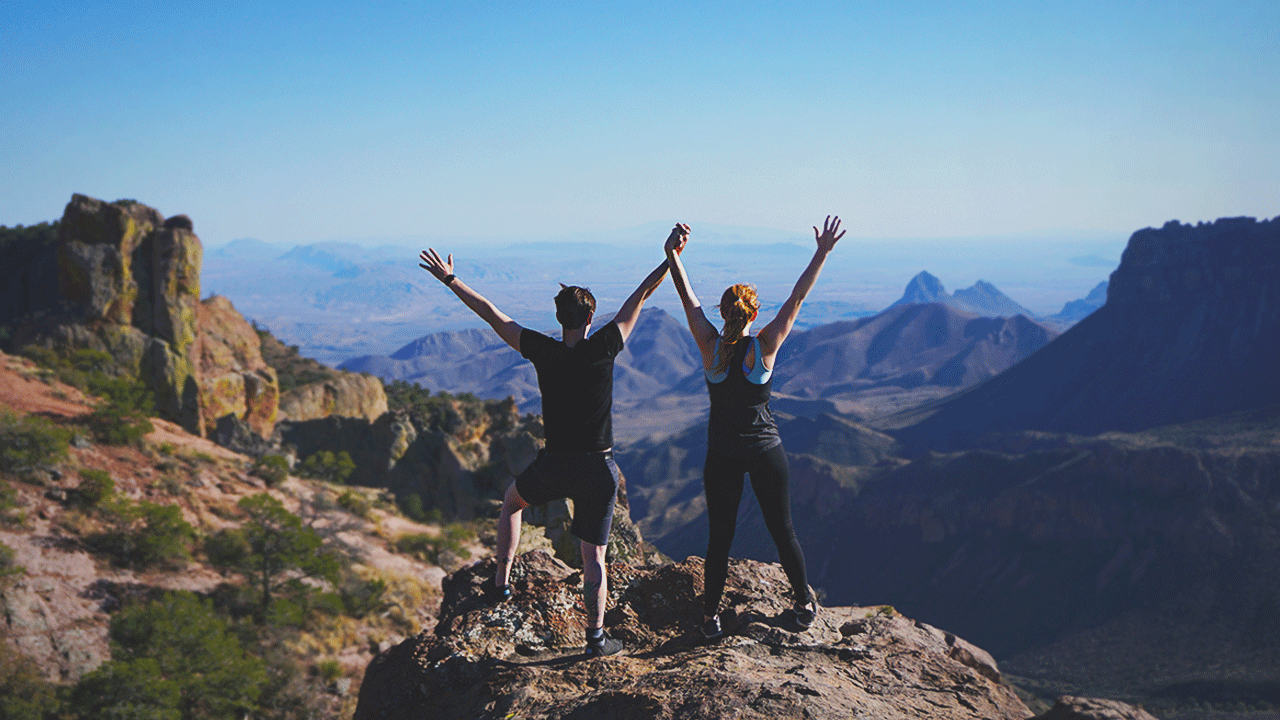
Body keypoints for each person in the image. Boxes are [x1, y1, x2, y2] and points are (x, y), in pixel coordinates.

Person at [419, 225, 687, 657]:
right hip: (598, 469)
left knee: (511, 503)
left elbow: (491, 313)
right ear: (589, 318)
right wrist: (670, 256)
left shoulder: (543, 350)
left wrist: (451, 280)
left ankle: (501, 584)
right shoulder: (605, 345)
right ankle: (595, 639)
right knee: (594, 560)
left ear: (560, 319)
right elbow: (641, 295)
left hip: (556, 464)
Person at [663, 216, 846, 640]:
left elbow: (686, 298)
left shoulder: (709, 346)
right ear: (754, 313)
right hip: (766, 451)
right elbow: (798, 299)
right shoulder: (763, 347)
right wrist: (821, 253)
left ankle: (710, 618)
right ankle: (802, 606)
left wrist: (672, 254)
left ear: (721, 312)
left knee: (719, 540)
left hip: (722, 455)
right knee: (783, 531)